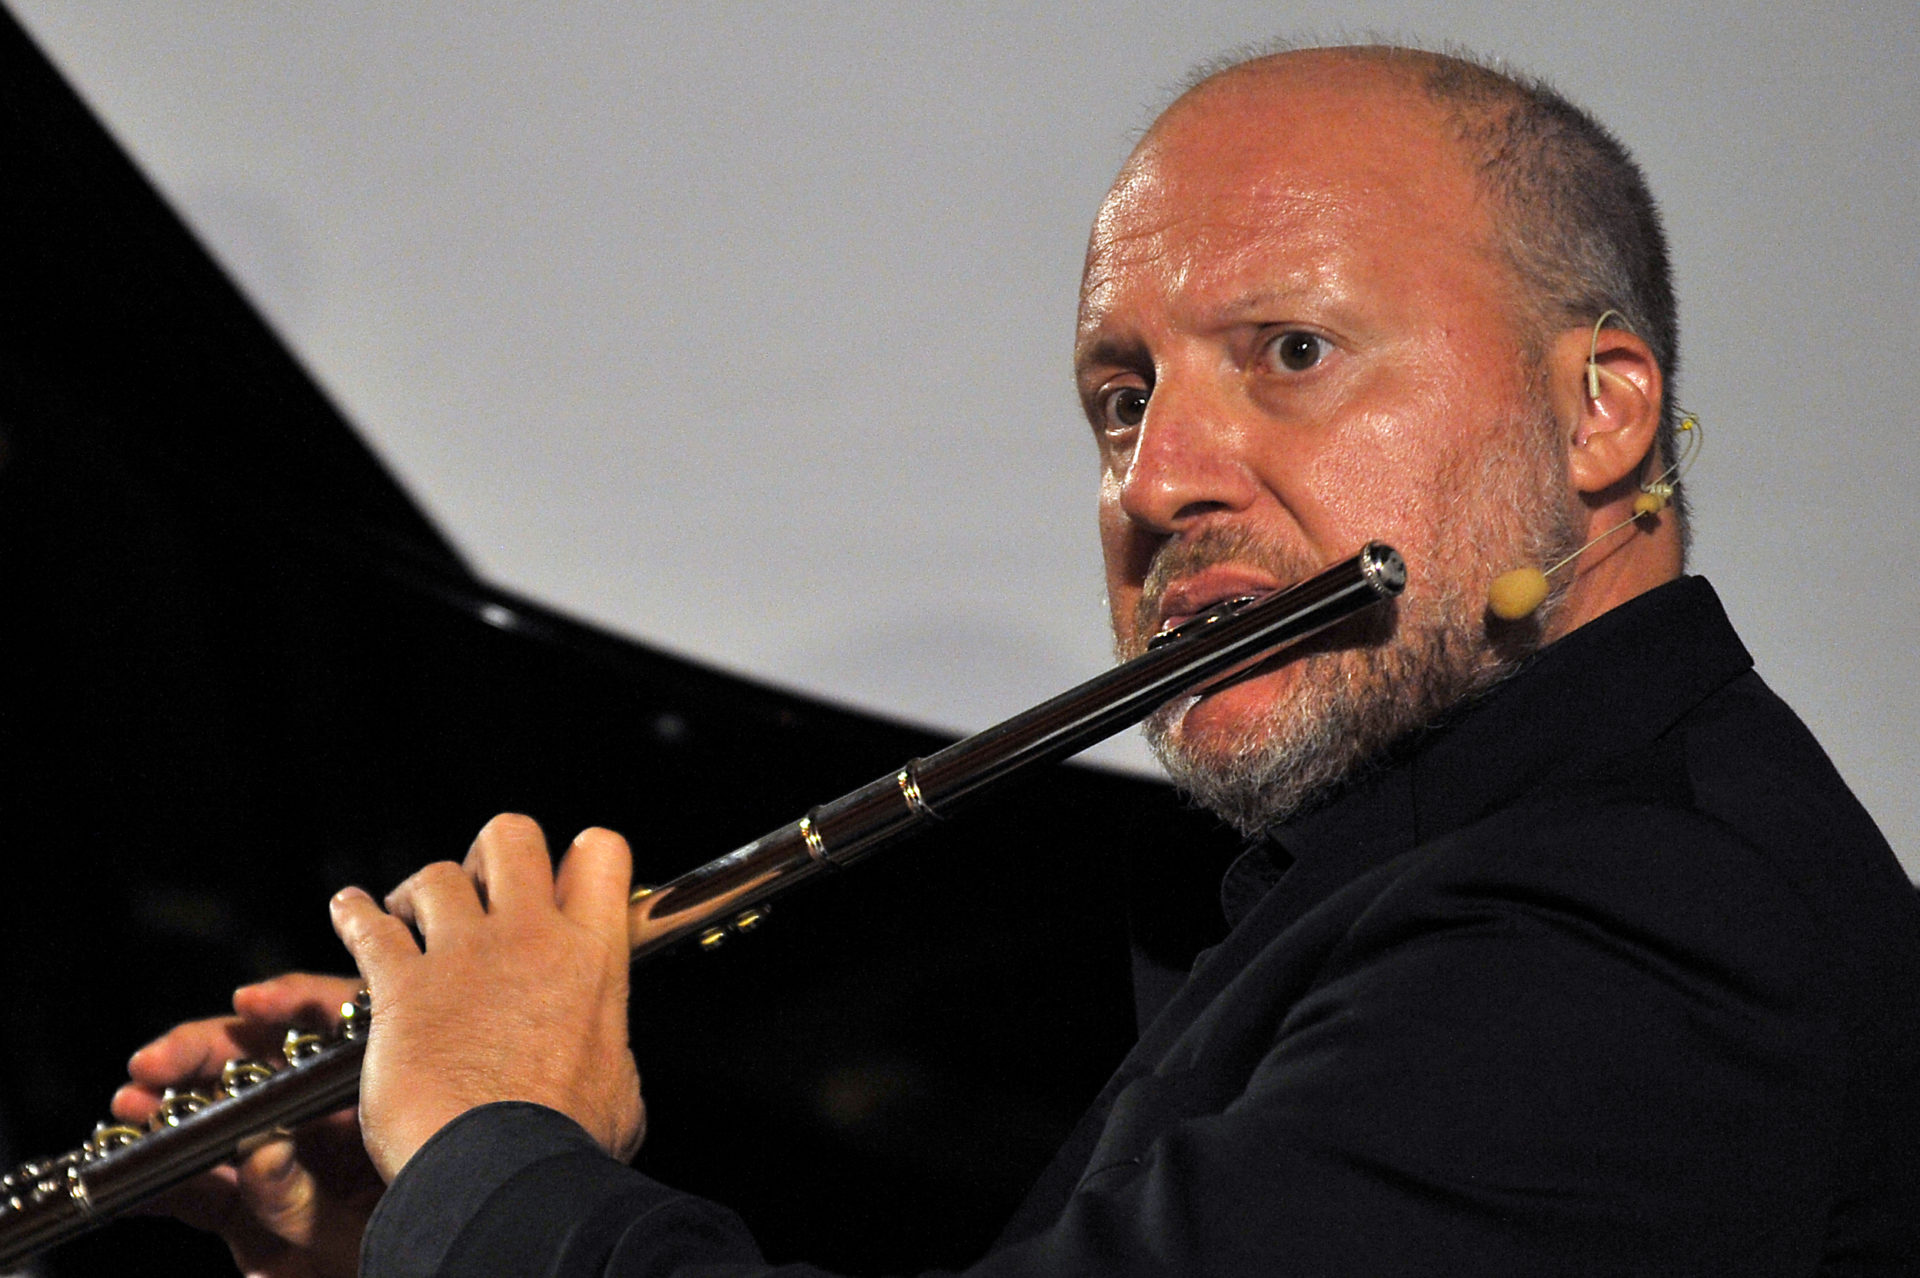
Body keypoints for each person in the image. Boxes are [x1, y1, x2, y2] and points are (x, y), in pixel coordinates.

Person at [116, 43, 1920, 1276]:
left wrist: (499, 1160)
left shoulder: (1638, 924)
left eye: (1290, 351)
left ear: (1601, 412)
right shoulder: (1450, 882)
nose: (1157, 478)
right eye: (1118, 402)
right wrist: (417, 1228)